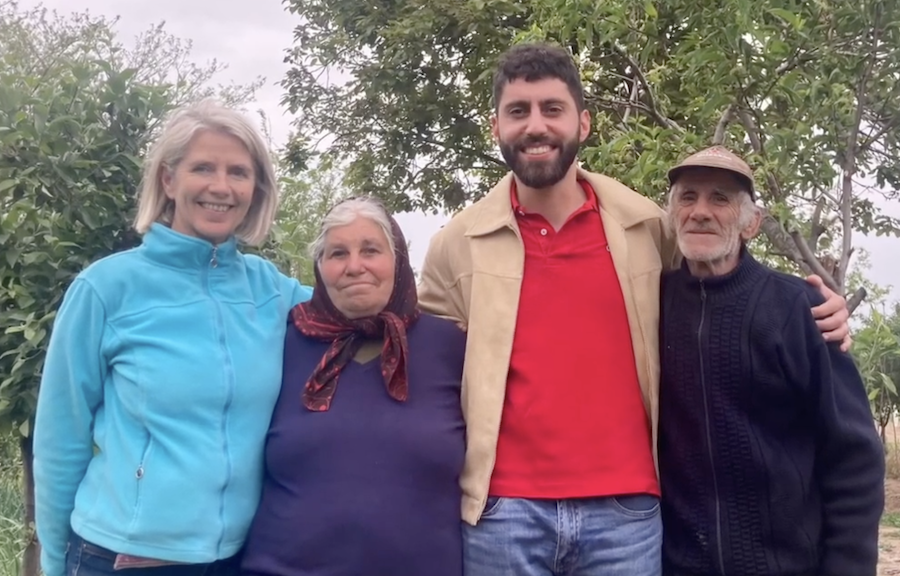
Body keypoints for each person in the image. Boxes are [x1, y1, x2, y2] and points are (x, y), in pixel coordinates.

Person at [417, 42, 852, 576]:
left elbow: (717, 283)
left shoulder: (645, 226)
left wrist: (811, 308)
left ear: (584, 123)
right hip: (503, 515)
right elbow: (427, 377)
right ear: (496, 127)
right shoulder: (456, 244)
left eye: (552, 109)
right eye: (518, 111)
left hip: (627, 516)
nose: (536, 126)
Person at [33, 99, 313, 576]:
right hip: (121, 557)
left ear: (256, 188)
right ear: (168, 179)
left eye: (238, 172)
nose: (221, 187)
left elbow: (356, 309)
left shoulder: (273, 291)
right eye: (203, 168)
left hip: (237, 558)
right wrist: (55, 564)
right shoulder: (106, 289)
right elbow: (61, 440)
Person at [658, 146, 884, 576]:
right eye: (688, 197)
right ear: (672, 215)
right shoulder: (650, 304)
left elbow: (853, 455)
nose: (700, 211)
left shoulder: (799, 309)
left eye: (720, 198)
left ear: (752, 223)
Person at [240, 197, 467, 576]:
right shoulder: (280, 345)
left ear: (398, 260)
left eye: (371, 250)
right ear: (320, 267)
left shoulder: (451, 346)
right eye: (338, 253)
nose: (355, 266)